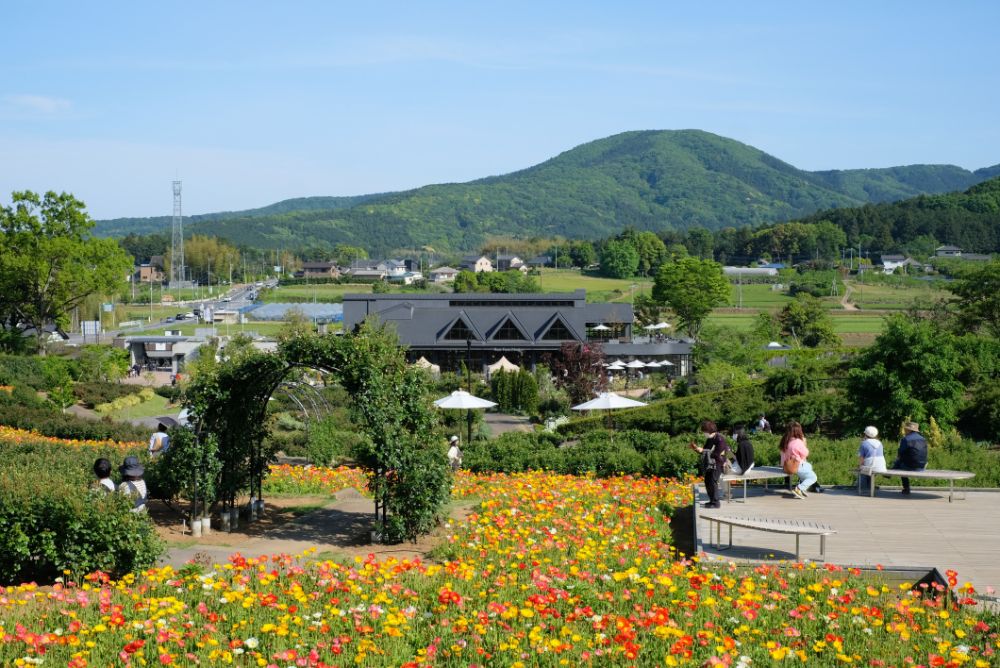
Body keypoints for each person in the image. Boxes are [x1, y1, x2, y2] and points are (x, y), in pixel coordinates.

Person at [689, 420, 730, 509]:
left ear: (709, 431)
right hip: (710, 464)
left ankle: (716, 503)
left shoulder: (720, 439)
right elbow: (705, 451)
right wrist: (696, 448)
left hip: (718, 464)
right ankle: (712, 501)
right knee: (708, 481)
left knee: (712, 482)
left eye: (705, 432)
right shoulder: (710, 439)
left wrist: (703, 450)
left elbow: (716, 453)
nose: (704, 434)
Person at [779, 421, 817, 500]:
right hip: (796, 466)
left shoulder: (785, 441)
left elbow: (782, 456)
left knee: (809, 467)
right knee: (813, 477)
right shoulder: (797, 442)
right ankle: (799, 489)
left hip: (786, 467)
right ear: (798, 431)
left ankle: (802, 489)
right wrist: (804, 443)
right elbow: (806, 454)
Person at [893, 421, 928, 495]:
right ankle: (890, 471)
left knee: (900, 463)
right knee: (902, 460)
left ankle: (906, 488)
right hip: (922, 465)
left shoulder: (905, 439)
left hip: (910, 466)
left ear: (909, 430)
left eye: (905, 429)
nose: (904, 430)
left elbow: (900, 453)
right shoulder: (923, 439)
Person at [857, 426, 887, 492]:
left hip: (871, 465)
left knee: (862, 470)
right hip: (881, 466)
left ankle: (863, 489)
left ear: (865, 434)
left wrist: (860, 466)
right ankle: (870, 488)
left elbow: (861, 458)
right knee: (870, 472)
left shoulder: (864, 443)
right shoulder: (880, 443)